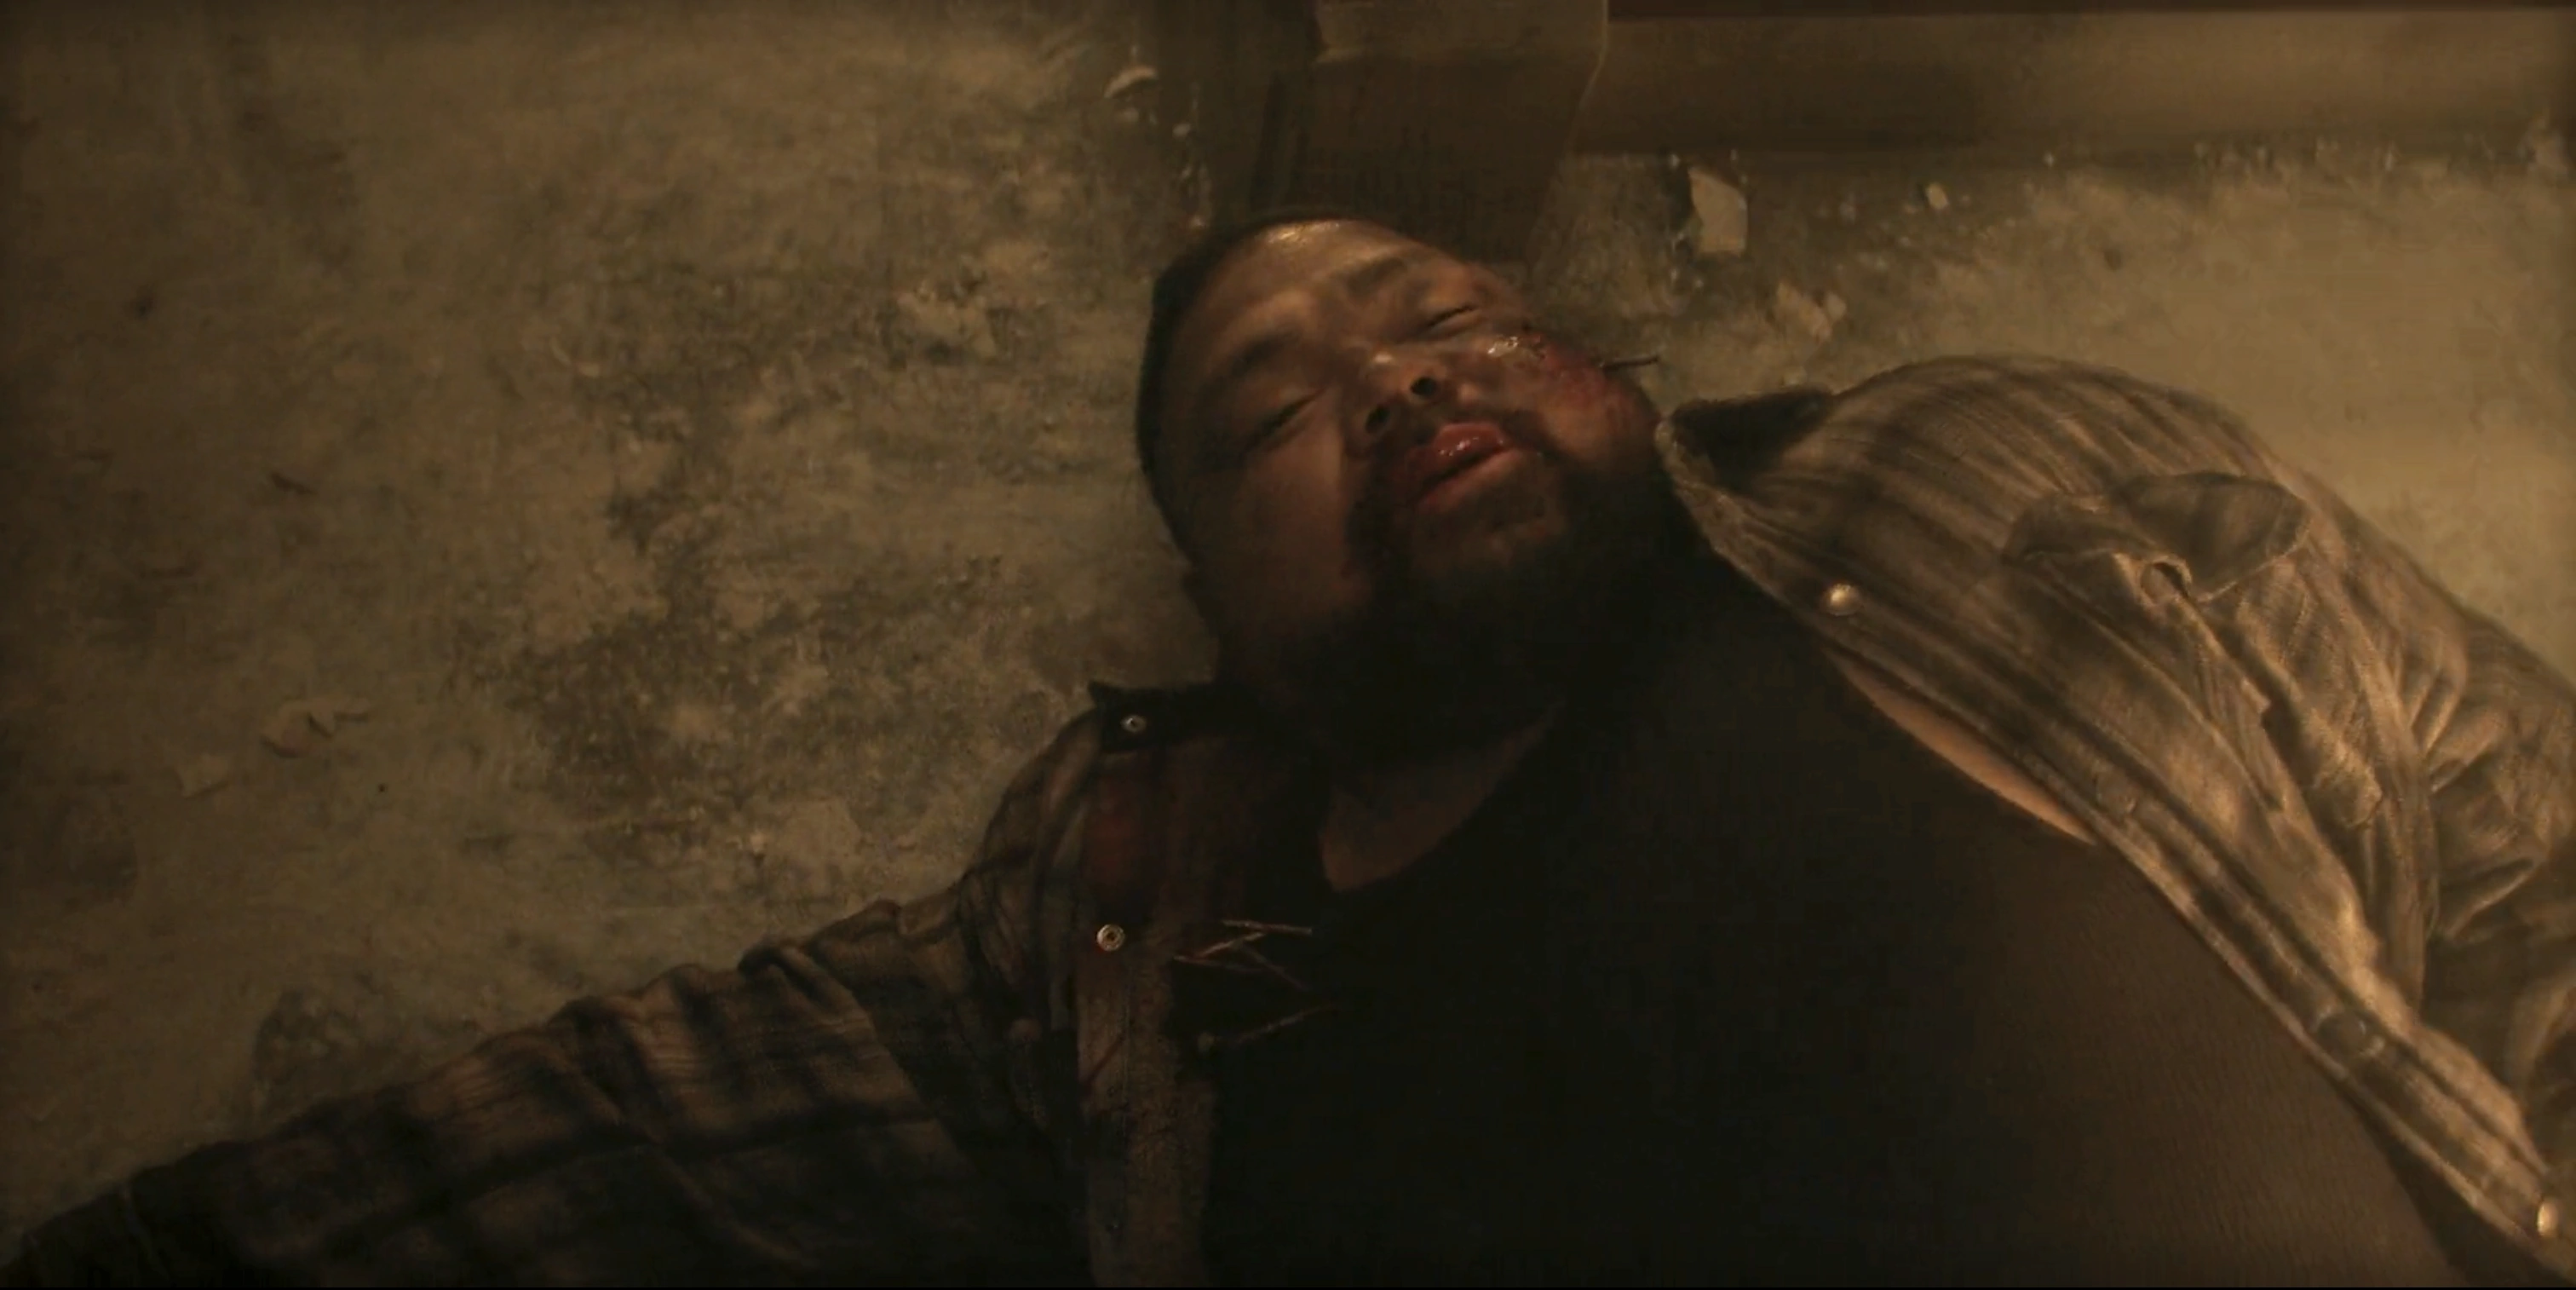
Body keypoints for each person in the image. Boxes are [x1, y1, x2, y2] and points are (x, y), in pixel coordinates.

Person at [9, 209, 2576, 1287]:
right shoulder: (1121, 921)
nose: (1401, 376)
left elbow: (2522, 836)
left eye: (1453, 317)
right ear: (1214, 607)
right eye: (1270, 411)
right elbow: (615, 1140)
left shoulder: (1981, 473)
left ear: (1616, 375)